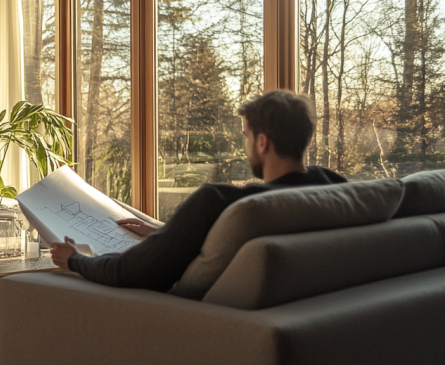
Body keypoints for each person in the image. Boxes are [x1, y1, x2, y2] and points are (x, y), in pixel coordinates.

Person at [49, 90, 346, 293]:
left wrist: (74, 260)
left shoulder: (221, 201)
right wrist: (166, 233)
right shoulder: (332, 188)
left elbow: (128, 272)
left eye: (247, 137)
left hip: (185, 317)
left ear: (262, 142)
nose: (247, 147)